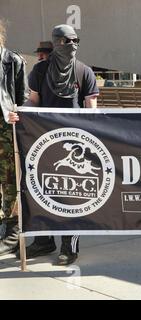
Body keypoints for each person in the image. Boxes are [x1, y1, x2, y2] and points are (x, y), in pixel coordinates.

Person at [9, 24, 99, 265]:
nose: (72, 45)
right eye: (66, 41)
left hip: (74, 145)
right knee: (40, 190)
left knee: (71, 194)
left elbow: (91, 110)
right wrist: (18, 112)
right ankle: (44, 240)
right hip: (44, 142)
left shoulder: (84, 72)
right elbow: (34, 101)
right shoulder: (39, 71)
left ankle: (69, 246)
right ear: (56, 42)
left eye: (75, 40)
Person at [0, 19, 27, 256]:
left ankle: (11, 230)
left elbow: (23, 99)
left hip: (6, 130)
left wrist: (17, 114)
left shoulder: (13, 61)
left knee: (9, 179)